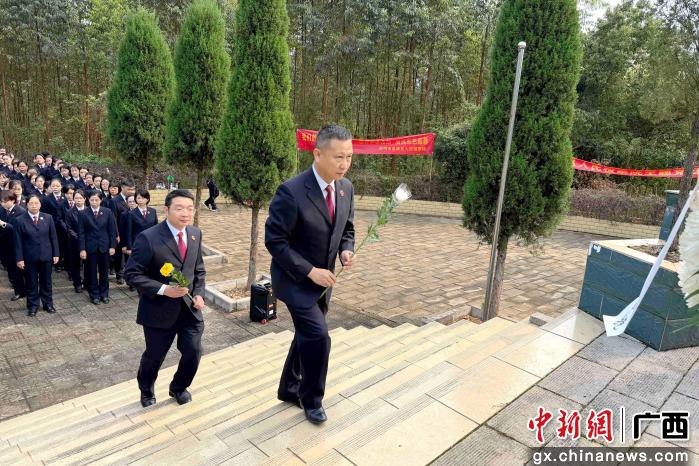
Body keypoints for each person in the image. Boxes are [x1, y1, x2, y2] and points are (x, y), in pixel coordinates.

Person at [264, 125, 356, 424]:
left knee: (307, 334)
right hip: (294, 281)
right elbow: (275, 241)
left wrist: (346, 250)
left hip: (324, 282)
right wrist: (309, 271)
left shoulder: (346, 188)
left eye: (349, 157)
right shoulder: (291, 191)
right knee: (318, 337)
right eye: (338, 157)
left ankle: (288, 388)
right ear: (317, 154)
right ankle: (311, 399)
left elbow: (347, 228)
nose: (344, 164)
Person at [124, 189, 206, 408]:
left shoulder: (195, 234)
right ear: (166, 210)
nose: (185, 213)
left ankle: (178, 387)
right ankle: (146, 390)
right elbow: (131, 274)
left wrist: (199, 293)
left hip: (189, 309)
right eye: (179, 208)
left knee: (194, 351)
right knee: (154, 356)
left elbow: (198, 270)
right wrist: (163, 289)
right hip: (158, 310)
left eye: (189, 209)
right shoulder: (148, 237)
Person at [13, 194, 60, 316]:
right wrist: (19, 258)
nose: (34, 205)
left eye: (36, 203)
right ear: (27, 204)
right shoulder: (19, 220)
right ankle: (33, 306)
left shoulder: (48, 218)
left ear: (40, 204)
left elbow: (53, 237)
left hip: (46, 255)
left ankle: (48, 304)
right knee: (31, 282)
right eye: (31, 203)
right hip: (29, 257)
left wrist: (56, 253)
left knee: (46, 282)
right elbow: (17, 242)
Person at [79, 191, 116, 305]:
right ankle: (94, 294)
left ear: (101, 200)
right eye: (92, 200)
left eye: (96, 200)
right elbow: (81, 233)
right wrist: (82, 249)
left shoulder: (107, 212)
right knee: (91, 272)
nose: (94, 202)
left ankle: (104, 294)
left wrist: (112, 246)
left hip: (104, 246)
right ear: (88, 200)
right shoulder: (83, 213)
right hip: (90, 247)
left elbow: (112, 230)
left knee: (104, 272)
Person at [1, 191, 27, 301]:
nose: (2, 204)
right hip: (4, 244)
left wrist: (3, 224)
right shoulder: (2, 210)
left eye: (4, 201)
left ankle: (21, 291)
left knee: (19, 270)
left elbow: (18, 229)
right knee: (10, 268)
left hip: (17, 245)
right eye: (1, 202)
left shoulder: (20, 211)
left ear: (12, 200)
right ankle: (18, 289)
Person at [111, 179, 135, 285]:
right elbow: (114, 219)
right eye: (129, 189)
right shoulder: (115, 201)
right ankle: (120, 275)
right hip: (120, 232)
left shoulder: (135, 198)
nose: (131, 191)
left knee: (130, 255)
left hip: (132, 232)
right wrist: (116, 234)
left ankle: (130, 274)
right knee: (119, 255)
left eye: (133, 189)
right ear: (123, 188)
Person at [64, 190, 86, 293]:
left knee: (89, 264)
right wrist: (79, 238)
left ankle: (87, 282)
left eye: (80, 198)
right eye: (76, 198)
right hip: (74, 242)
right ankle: (77, 283)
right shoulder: (69, 212)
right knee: (75, 264)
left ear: (85, 199)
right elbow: (69, 228)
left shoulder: (89, 210)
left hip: (88, 241)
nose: (78, 200)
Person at [124, 189, 158, 254]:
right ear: (136, 199)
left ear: (147, 199)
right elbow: (129, 232)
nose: (141, 200)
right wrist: (129, 247)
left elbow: (156, 228)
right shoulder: (131, 213)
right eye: (138, 198)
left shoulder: (153, 211)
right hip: (138, 243)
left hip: (151, 242)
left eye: (143, 198)